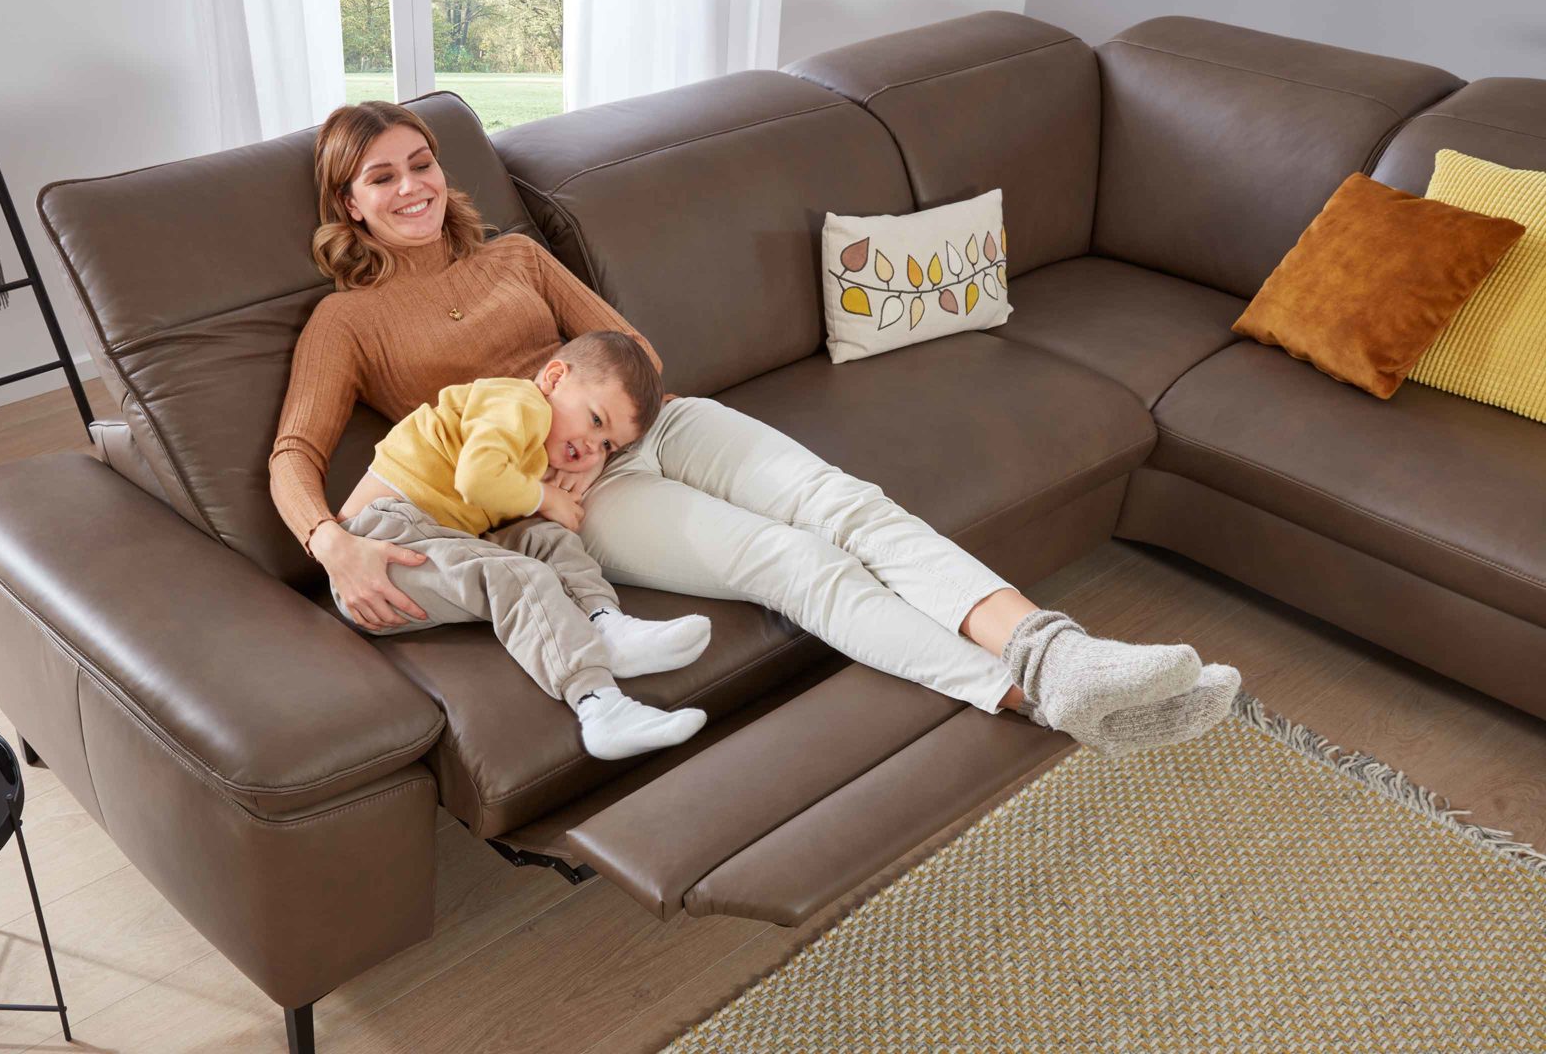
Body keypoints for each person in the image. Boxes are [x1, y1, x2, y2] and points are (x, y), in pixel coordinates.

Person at [271, 100, 1242, 759]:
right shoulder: (346, 322)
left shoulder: (516, 258)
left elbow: (632, 351)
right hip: (563, 497)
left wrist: (598, 426)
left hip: (648, 424)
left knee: (847, 506)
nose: (412, 186)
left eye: (422, 163)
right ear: (349, 203)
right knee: (794, 563)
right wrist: (332, 542)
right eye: (382, 177)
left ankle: (1056, 651)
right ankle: (1037, 699)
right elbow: (294, 457)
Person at [330, 330, 712, 759]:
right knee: (520, 574)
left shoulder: (535, 446)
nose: (593, 447)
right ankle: (600, 705)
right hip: (379, 552)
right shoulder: (519, 403)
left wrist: (555, 486)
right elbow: (476, 479)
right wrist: (545, 496)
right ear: (554, 378)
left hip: (441, 538)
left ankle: (607, 624)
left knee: (547, 538)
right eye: (596, 420)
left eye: (607, 445)